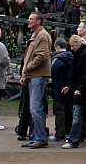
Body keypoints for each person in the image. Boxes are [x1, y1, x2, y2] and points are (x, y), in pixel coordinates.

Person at [62, 35, 86, 149]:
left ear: (78, 44)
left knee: (78, 115)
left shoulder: (84, 55)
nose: (71, 48)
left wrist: (79, 88)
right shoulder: (81, 54)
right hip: (82, 90)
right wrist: (69, 86)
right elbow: (76, 74)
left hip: (83, 91)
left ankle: (73, 140)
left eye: (72, 46)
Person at [20, 12, 52, 148]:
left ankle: (40, 138)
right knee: (34, 108)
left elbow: (42, 55)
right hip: (33, 75)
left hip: (38, 75)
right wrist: (25, 73)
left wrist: (27, 68)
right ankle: (35, 137)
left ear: (38, 21)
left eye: (31, 19)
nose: (28, 20)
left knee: (35, 108)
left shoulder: (42, 35)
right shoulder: (37, 35)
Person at [50, 38, 73, 142]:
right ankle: (69, 131)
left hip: (58, 88)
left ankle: (59, 133)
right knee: (69, 111)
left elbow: (53, 72)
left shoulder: (57, 59)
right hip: (69, 88)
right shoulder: (72, 57)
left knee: (59, 111)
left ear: (57, 47)